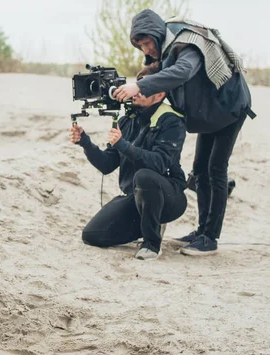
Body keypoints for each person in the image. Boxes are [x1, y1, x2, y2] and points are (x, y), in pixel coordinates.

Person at [113, 9, 255, 256]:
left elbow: (183, 72)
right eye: (141, 46)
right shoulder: (165, 50)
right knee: (200, 169)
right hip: (211, 113)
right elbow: (158, 77)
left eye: (147, 43)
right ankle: (200, 231)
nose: (146, 50)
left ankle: (210, 238)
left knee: (216, 169)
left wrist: (139, 85)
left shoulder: (186, 44)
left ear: (157, 35)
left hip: (230, 107)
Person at [70, 64, 188, 260]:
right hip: (136, 196)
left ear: (159, 95)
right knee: (92, 235)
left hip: (170, 197)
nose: (137, 92)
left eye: (145, 89)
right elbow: (106, 165)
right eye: (138, 86)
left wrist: (124, 146)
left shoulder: (171, 121)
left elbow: (160, 163)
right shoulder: (127, 120)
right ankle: (146, 221)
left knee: (145, 176)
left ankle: (152, 243)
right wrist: (85, 142)